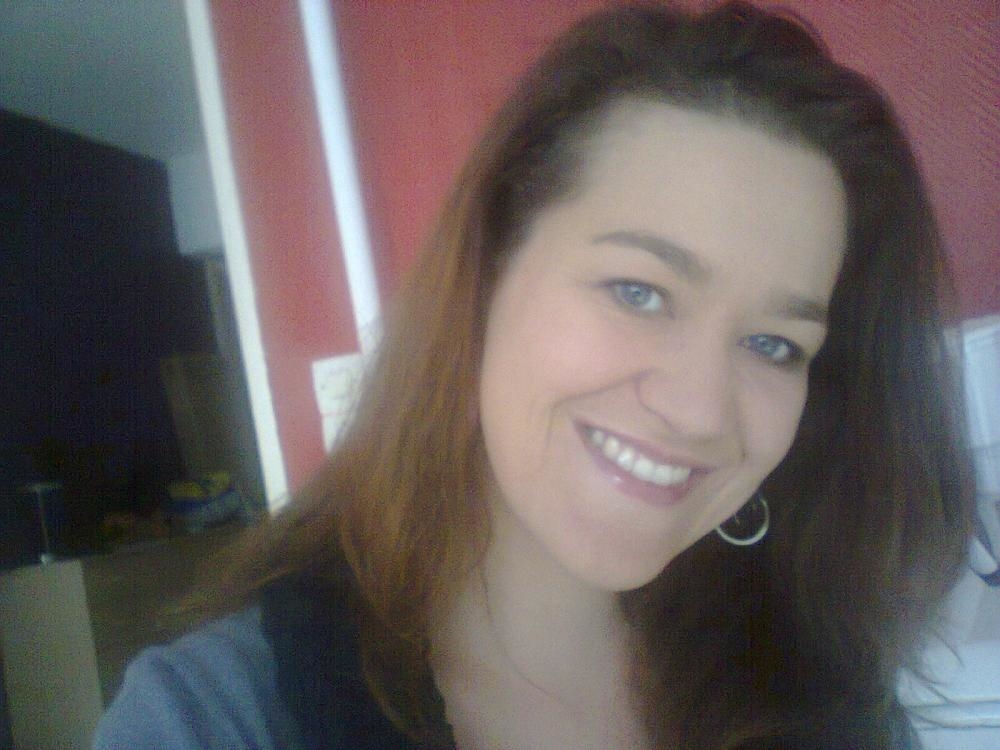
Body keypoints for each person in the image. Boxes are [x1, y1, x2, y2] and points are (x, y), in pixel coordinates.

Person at [94, 2, 972, 748]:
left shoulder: (826, 696)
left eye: (775, 345)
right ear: (485, 281)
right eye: (639, 291)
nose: (702, 410)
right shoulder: (217, 718)